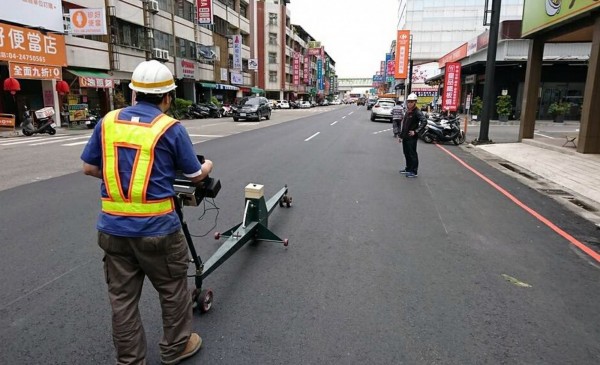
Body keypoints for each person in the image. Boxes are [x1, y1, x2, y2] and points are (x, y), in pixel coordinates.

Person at [81, 60, 213, 365]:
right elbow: (194, 175)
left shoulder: (108, 122)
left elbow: (89, 167)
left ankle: (130, 360)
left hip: (113, 230)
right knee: (172, 289)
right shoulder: (170, 128)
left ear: (133, 94)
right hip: (158, 232)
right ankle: (177, 347)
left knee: (123, 300)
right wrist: (208, 166)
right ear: (167, 97)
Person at [398, 93, 427, 178]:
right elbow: (405, 125)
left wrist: (416, 131)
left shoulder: (417, 112)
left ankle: (414, 171)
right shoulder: (408, 111)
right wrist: (401, 136)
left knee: (412, 154)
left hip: (412, 137)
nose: (409, 103)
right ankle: (408, 168)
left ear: (415, 102)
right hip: (406, 137)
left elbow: (424, 121)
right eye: (408, 102)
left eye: (411, 102)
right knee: (406, 153)